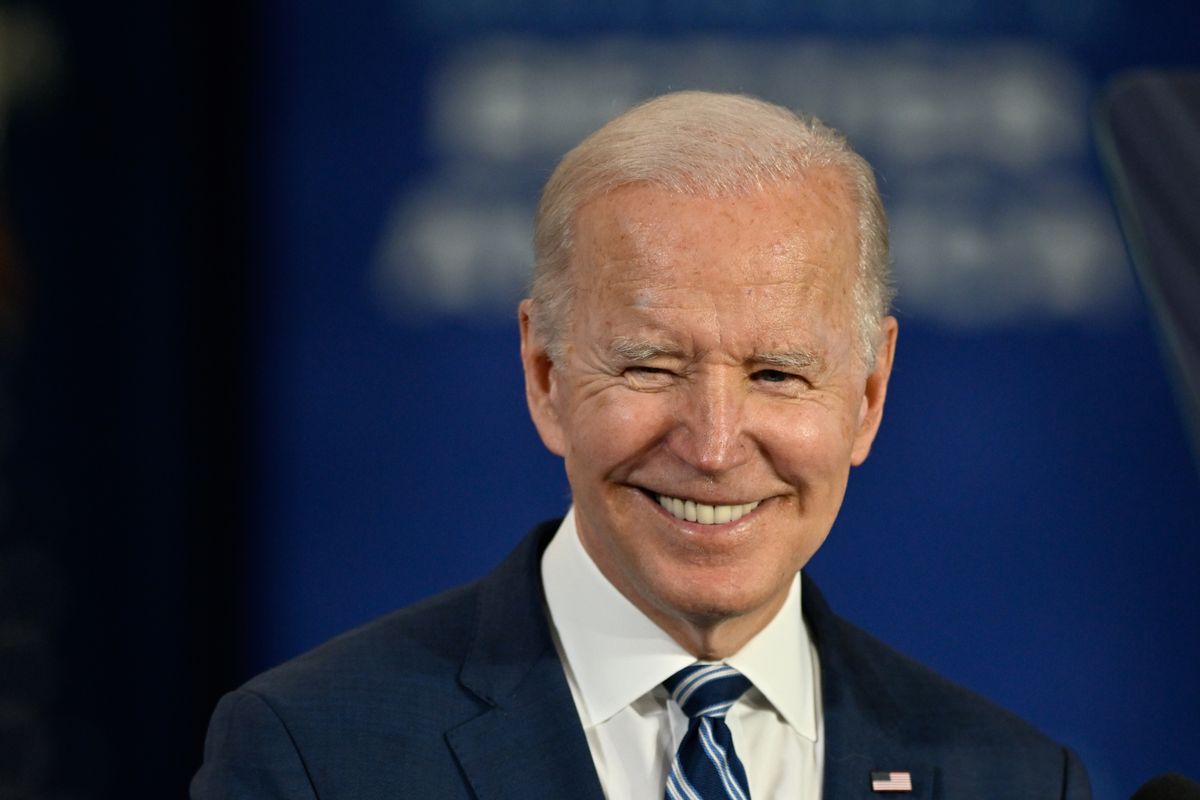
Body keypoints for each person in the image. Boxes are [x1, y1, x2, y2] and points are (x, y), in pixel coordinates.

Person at [192, 91, 1091, 799]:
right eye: (653, 367)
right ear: (546, 375)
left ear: (867, 395)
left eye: (777, 373)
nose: (713, 443)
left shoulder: (1007, 777)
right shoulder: (317, 753)